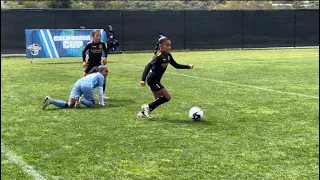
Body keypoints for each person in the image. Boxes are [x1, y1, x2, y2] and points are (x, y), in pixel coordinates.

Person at [138, 35, 194, 118]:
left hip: (156, 80)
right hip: (153, 80)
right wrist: (143, 79)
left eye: (170, 45)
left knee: (157, 100)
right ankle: (147, 107)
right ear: (161, 46)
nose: (169, 47)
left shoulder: (168, 55)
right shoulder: (158, 55)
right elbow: (148, 66)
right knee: (167, 97)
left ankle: (142, 114)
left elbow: (175, 65)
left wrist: (187, 66)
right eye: (167, 45)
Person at [42, 65, 108, 110]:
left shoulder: (92, 74)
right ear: (100, 71)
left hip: (78, 83)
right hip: (86, 85)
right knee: (91, 104)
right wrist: (101, 103)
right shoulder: (100, 76)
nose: (107, 73)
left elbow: (85, 88)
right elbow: (100, 91)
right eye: (106, 71)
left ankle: (51, 101)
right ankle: (79, 100)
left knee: (69, 105)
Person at [82, 29, 108, 98]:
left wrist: (105, 57)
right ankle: (82, 93)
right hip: (90, 64)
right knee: (84, 78)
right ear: (93, 37)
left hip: (99, 64)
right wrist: (84, 61)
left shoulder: (102, 44)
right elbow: (83, 52)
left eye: (99, 36)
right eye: (97, 36)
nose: (99, 37)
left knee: (104, 77)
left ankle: (102, 94)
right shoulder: (89, 44)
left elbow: (105, 51)